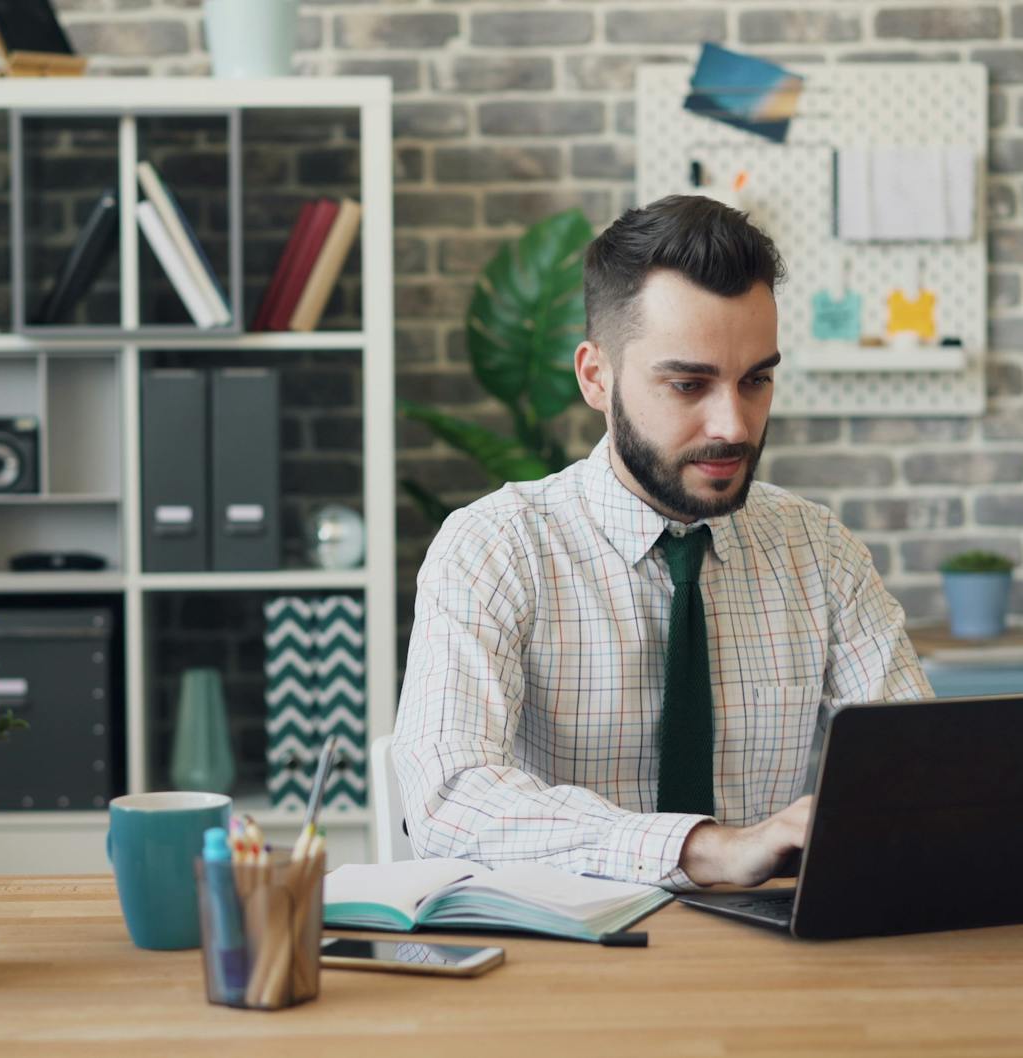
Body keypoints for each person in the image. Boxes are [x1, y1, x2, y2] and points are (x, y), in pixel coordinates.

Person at [391, 195, 931, 891]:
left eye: (756, 380)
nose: (733, 425)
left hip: (778, 968)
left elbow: (919, 774)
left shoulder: (818, 551)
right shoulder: (497, 547)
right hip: (567, 970)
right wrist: (705, 849)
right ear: (596, 377)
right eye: (688, 384)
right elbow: (449, 799)